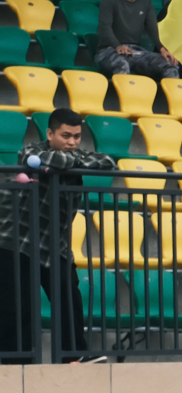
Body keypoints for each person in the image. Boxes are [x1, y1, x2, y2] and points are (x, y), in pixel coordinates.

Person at [2, 109, 112, 363]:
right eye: (66, 136)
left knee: (69, 300)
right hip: (19, 241)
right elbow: (31, 159)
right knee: (18, 307)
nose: (72, 142)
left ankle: (73, 356)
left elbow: (106, 162)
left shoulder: (71, 155)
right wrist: (61, 164)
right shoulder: (32, 150)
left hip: (55, 245)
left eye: (76, 137)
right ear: (50, 133)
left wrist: (56, 165)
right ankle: (15, 363)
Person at [95, 0, 182, 79]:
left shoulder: (146, 2)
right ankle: (125, 97)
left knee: (170, 62)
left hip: (135, 52)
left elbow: (152, 29)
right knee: (122, 63)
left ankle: (172, 97)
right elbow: (105, 27)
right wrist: (117, 46)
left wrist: (162, 48)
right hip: (109, 50)